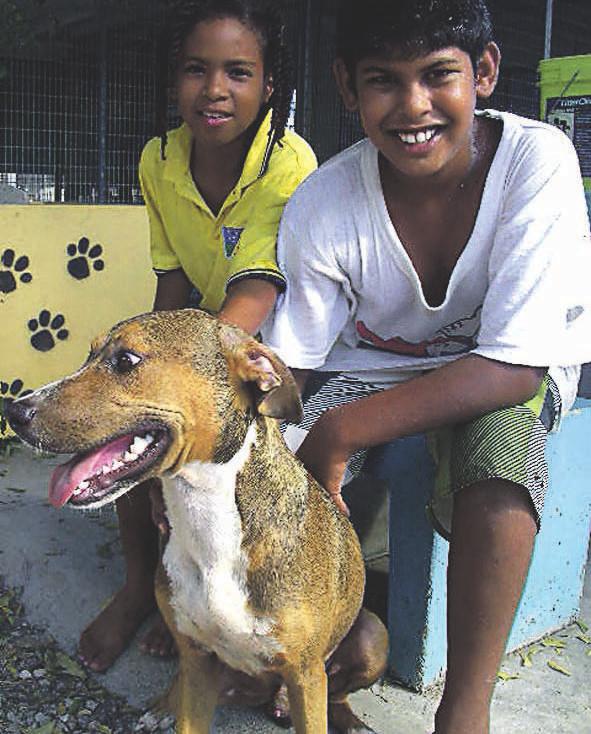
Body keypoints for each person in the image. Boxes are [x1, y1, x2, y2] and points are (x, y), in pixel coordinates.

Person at [261, 1, 591, 732]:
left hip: (503, 366)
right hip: (372, 366)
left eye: (437, 75)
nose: (412, 106)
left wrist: (341, 432)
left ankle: (463, 710)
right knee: (261, 470)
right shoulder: (324, 200)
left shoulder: (536, 161)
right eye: (382, 81)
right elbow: (296, 365)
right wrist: (252, 447)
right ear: (346, 87)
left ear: (484, 72)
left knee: (502, 462)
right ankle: (309, 663)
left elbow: (512, 370)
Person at [78, 0, 316, 673]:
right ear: (173, 79)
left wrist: (178, 383)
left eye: (238, 72)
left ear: (269, 86)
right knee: (115, 401)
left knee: (202, 434)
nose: (215, 89)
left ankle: (238, 615)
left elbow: (258, 293)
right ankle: (139, 588)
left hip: (269, 345)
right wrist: (140, 368)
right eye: (195, 70)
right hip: (196, 331)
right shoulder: (158, 160)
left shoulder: (289, 162)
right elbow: (172, 283)